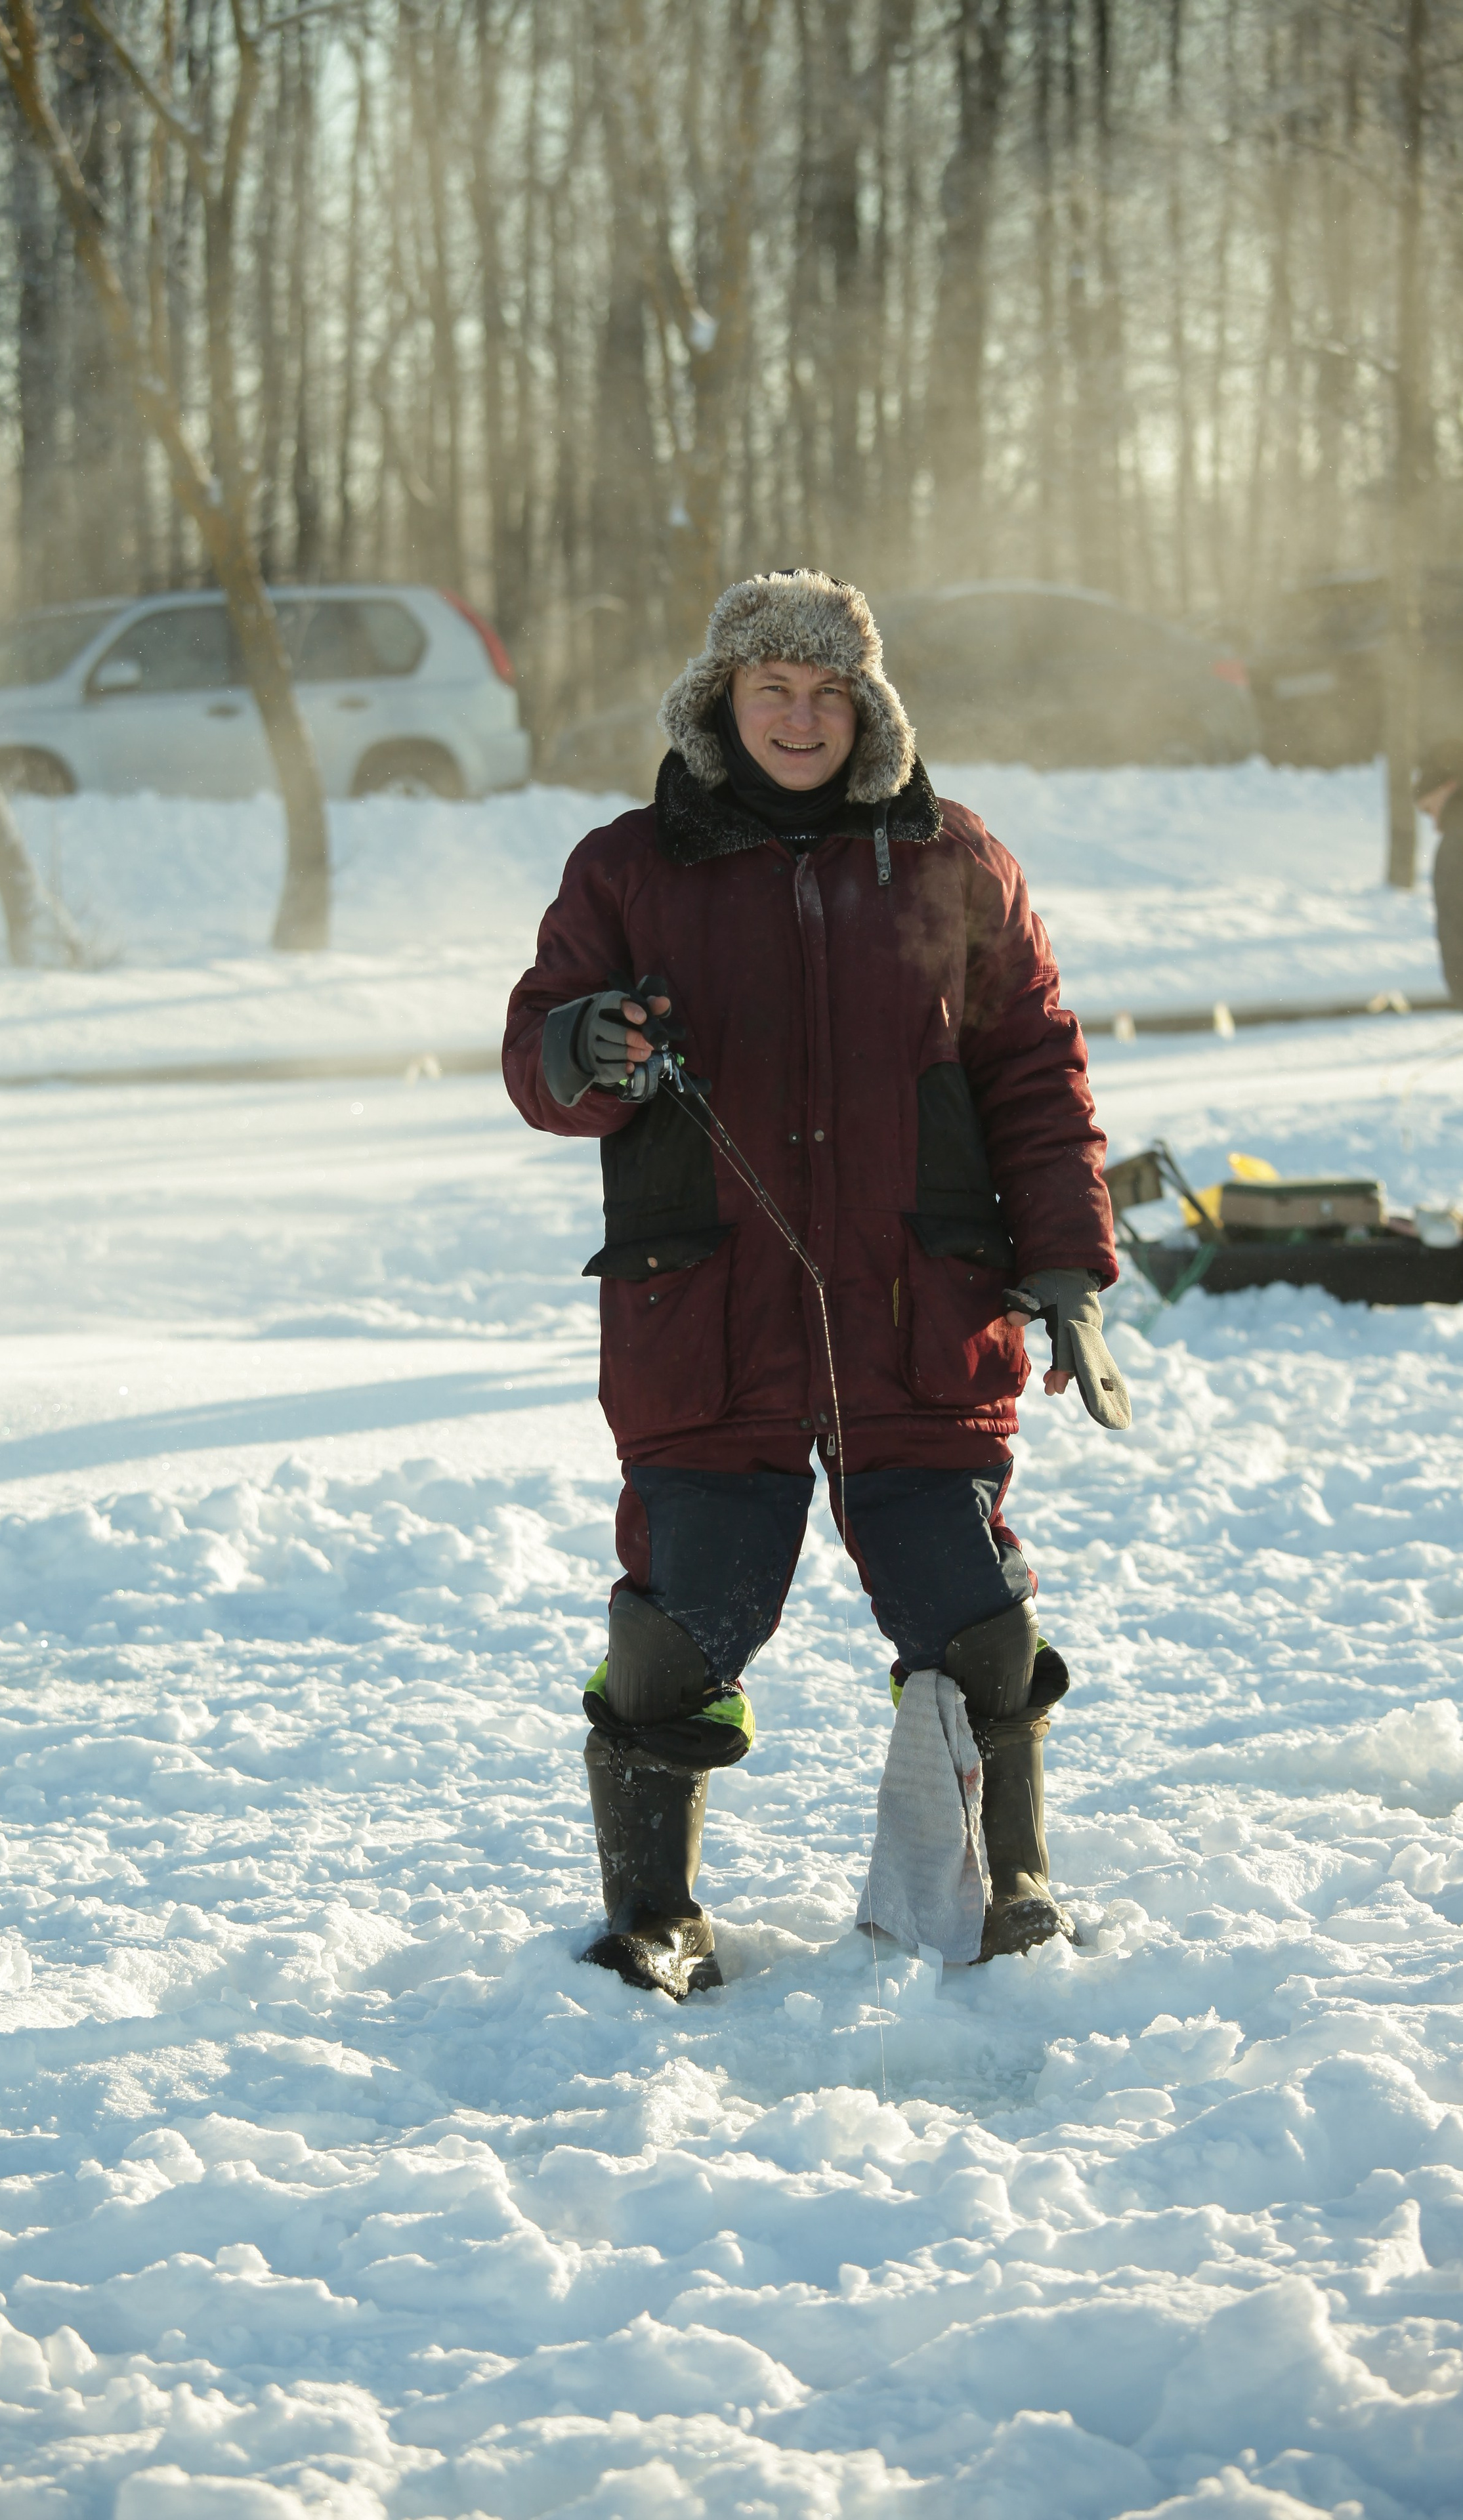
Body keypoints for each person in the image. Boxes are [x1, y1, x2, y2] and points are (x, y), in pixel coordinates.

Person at [503, 570, 1128, 2000]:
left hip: (919, 1306)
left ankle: (1008, 1879)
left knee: (971, 1610)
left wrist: (1066, 1268)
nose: (800, 716)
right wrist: (585, 1046)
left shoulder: (953, 861)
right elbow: (538, 1050)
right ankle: (654, 1912)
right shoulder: (628, 867)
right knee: (676, 1631)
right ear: (720, 701)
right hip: (705, 1316)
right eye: (770, 688)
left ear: (870, 708)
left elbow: (1034, 1073)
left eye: (827, 691)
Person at [1419, 756, 1463, 1005]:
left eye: (1429, 809)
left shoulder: (1456, 844)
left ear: (1448, 787)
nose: (1434, 824)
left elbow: (1454, 923)